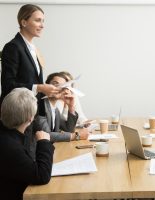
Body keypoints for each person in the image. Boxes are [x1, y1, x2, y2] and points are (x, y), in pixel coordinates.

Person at [0, 4, 60, 159]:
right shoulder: (13, 47)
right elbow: (7, 85)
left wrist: (49, 91)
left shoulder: (33, 49)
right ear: (24, 22)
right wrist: (39, 87)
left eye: (43, 21)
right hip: (17, 118)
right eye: (38, 20)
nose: (42, 25)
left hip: (32, 116)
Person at [0, 88, 54, 200]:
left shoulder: (8, 137)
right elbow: (42, 176)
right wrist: (44, 142)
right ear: (31, 119)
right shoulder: (10, 146)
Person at [35, 72, 89, 142]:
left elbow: (68, 129)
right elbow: (46, 135)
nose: (59, 88)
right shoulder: (40, 106)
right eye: (55, 83)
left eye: (64, 86)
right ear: (47, 86)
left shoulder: (55, 110)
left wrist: (71, 107)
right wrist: (75, 136)